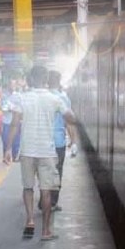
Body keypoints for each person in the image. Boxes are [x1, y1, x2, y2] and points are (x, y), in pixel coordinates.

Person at [5, 65, 77, 241]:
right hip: (47, 151)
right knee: (46, 191)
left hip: (27, 150)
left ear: (30, 79)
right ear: (45, 80)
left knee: (28, 187)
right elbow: (71, 118)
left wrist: (8, 148)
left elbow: (14, 124)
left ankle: (29, 221)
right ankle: (45, 231)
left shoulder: (22, 98)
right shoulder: (55, 99)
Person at [44, 70, 76, 211]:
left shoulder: (41, 97)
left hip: (43, 141)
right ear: (59, 81)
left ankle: (44, 200)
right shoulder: (63, 98)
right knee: (57, 172)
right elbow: (69, 122)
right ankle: (52, 203)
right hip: (58, 142)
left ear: (47, 81)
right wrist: (73, 141)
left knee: (44, 172)